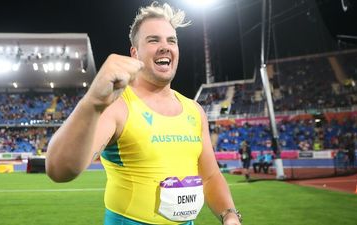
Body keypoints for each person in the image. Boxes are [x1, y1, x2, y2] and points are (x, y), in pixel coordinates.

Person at [46, 2, 241, 225]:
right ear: (135, 52)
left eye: (172, 40)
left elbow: (210, 176)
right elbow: (59, 170)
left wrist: (230, 215)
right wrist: (92, 102)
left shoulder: (194, 111)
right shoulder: (117, 104)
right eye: (153, 40)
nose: (165, 46)